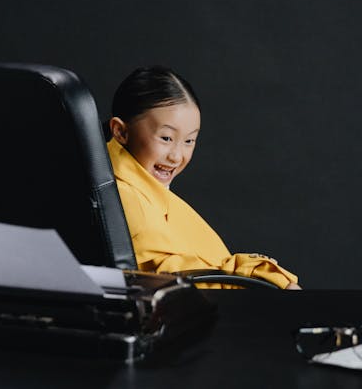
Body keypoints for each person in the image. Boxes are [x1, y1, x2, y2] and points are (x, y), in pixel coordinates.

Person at [106, 66, 300, 289]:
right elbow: (170, 275)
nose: (177, 156)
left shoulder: (139, 187)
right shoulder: (127, 197)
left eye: (189, 141)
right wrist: (262, 278)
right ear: (120, 132)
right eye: (166, 138)